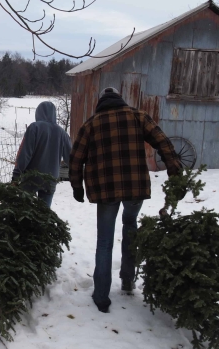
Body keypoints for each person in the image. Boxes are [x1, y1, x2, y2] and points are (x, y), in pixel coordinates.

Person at [69, 87, 181, 313]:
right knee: (130, 226)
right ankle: (128, 281)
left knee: (105, 241)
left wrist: (77, 186)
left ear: (100, 102)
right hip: (135, 188)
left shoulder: (91, 124)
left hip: (106, 191)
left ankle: (101, 296)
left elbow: (75, 158)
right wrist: (175, 172)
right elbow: (163, 141)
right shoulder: (138, 117)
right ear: (120, 99)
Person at [12, 101, 72, 208]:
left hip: (31, 177)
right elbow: (71, 159)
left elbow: (25, 154)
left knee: (24, 210)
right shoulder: (62, 133)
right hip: (50, 179)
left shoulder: (34, 127)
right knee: (43, 213)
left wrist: (16, 175)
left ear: (38, 113)